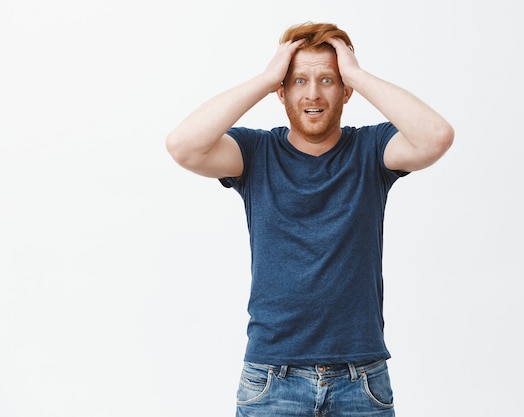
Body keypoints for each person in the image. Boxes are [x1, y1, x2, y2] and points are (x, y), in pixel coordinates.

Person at [166, 22, 454, 417]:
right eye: (299, 80)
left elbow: (436, 136)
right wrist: (267, 77)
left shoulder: (371, 149)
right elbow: (183, 146)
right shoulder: (256, 153)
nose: (313, 93)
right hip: (272, 379)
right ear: (282, 92)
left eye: (328, 80)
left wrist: (356, 73)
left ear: (346, 91)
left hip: (361, 379)